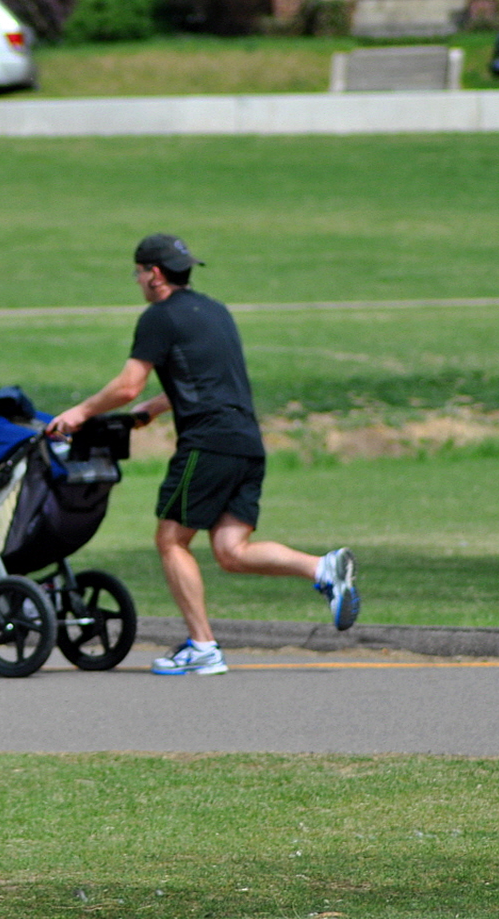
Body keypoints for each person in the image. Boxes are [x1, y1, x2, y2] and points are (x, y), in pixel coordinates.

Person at [46, 234, 359, 676]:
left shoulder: (159, 317)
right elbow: (207, 379)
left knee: (171, 540)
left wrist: (79, 412)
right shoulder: (215, 311)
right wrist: (152, 410)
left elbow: (128, 384)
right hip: (246, 442)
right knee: (231, 551)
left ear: (153, 274)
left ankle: (203, 646)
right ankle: (322, 568)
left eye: (138, 273)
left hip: (208, 442)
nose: (137, 280)